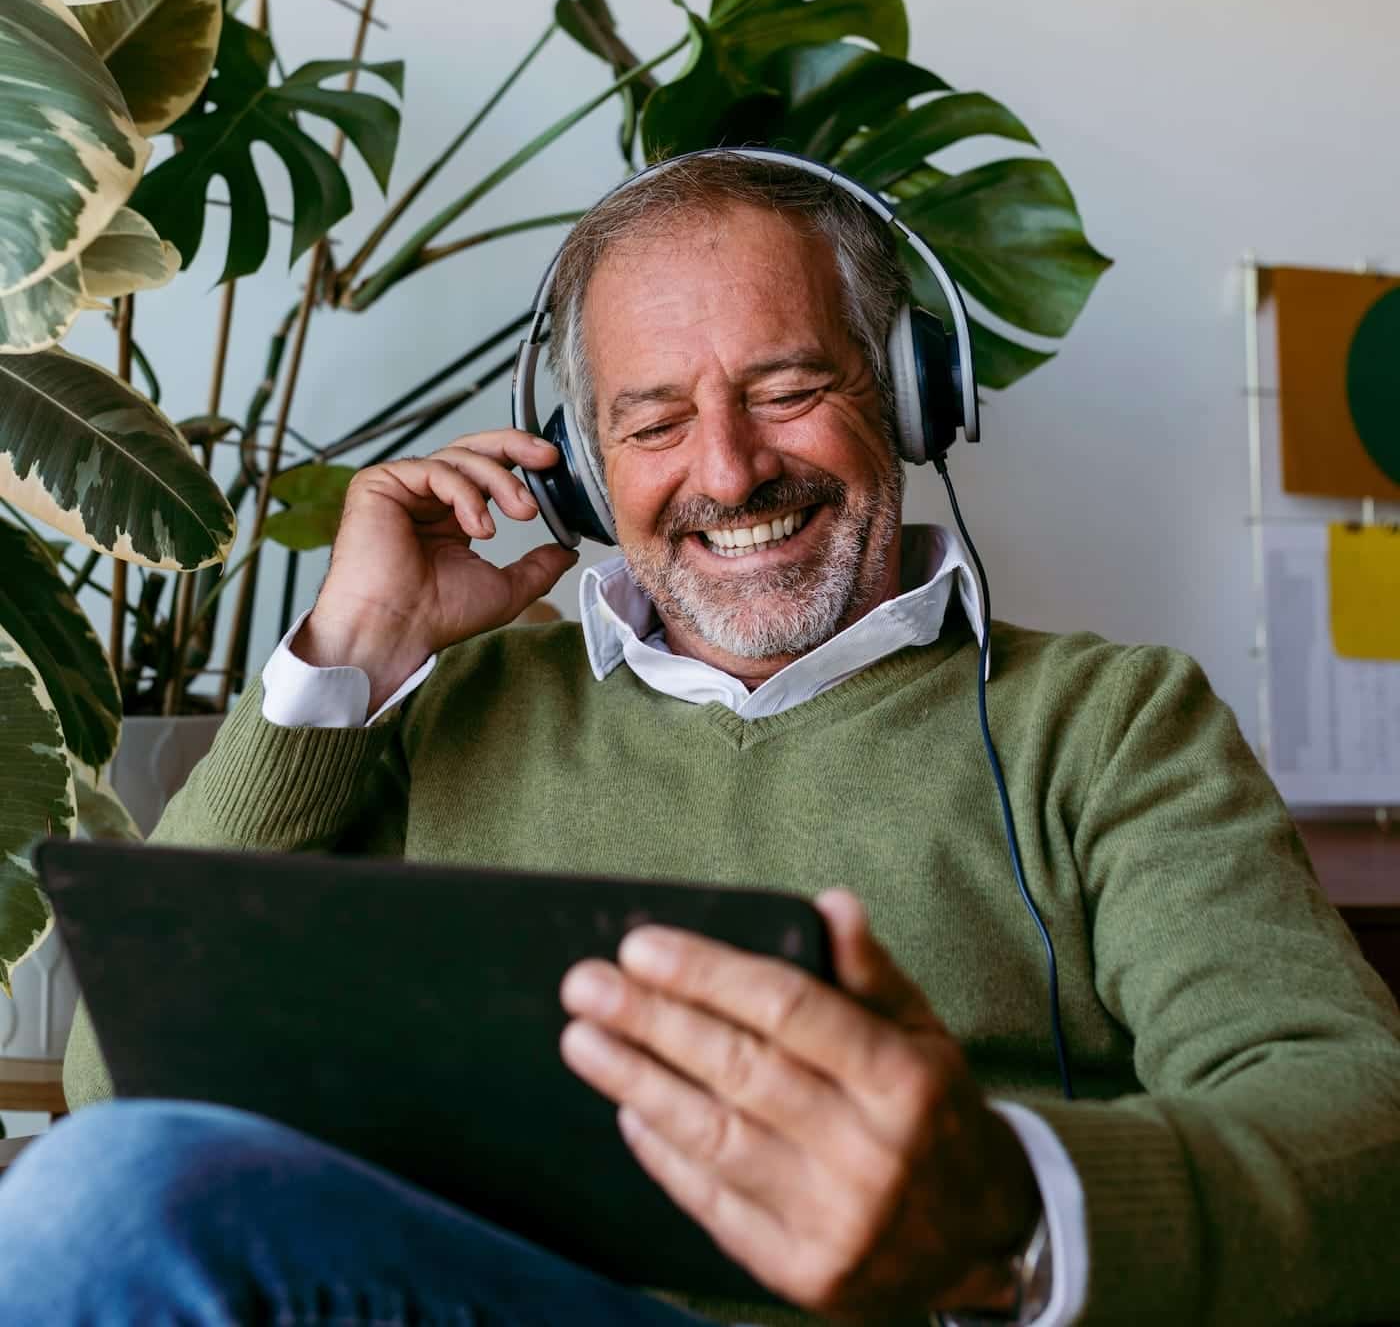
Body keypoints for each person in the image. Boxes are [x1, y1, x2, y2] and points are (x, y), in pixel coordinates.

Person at [9, 151, 1399, 1326]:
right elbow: (126, 1102)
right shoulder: (451, 710)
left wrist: (1004, 1202)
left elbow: (1357, 1126)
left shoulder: (1108, 724)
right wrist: (351, 660)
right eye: (656, 420)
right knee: (91, 1198)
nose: (728, 470)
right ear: (585, 465)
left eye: (789, 387)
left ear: (909, 394)